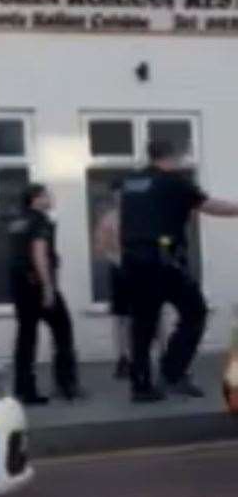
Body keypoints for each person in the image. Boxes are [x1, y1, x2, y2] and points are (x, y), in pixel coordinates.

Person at [121, 139, 238, 403]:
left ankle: (141, 386)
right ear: (172, 156)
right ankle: (173, 373)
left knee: (143, 324)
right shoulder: (175, 181)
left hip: (133, 260)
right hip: (162, 261)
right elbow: (210, 206)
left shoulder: (131, 182)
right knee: (195, 312)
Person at [8, 183, 80, 405]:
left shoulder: (16, 221)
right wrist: (47, 287)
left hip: (19, 284)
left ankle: (23, 388)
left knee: (26, 336)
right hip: (37, 283)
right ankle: (66, 383)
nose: (50, 198)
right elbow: (39, 253)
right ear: (36, 199)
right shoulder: (41, 221)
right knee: (63, 329)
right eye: (47, 195)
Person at [93, 180, 131, 379]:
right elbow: (100, 247)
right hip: (119, 270)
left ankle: (158, 358)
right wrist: (116, 259)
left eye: (123, 194)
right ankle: (123, 358)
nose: (120, 198)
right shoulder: (108, 219)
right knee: (121, 317)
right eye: (116, 195)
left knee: (152, 314)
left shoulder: (142, 215)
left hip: (143, 270)